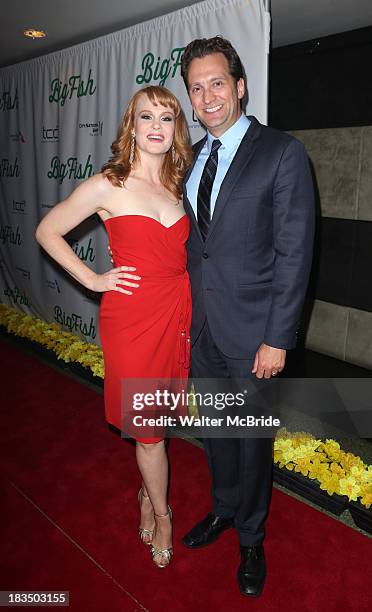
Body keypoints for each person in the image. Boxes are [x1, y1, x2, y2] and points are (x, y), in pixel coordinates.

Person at [35, 85, 193, 569]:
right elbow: (47, 230)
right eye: (147, 117)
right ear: (132, 126)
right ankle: (164, 515)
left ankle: (148, 495)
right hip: (132, 319)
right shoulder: (109, 183)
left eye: (166, 119)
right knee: (147, 432)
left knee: (157, 423)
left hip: (178, 312)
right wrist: (94, 279)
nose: (156, 127)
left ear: (175, 130)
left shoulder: (180, 184)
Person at [180, 37, 315, 596]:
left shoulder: (281, 152)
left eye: (217, 83)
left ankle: (252, 537)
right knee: (216, 433)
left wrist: (277, 337)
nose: (208, 96)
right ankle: (223, 510)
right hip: (204, 328)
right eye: (197, 87)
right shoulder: (187, 156)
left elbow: (295, 251)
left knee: (251, 440)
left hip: (255, 333)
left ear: (239, 86)